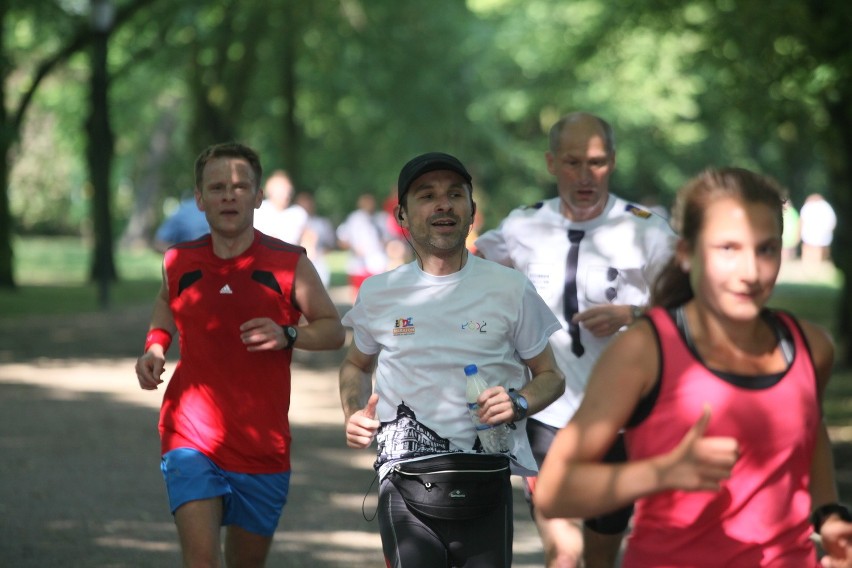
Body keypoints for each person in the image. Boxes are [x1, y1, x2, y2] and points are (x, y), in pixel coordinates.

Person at [534, 167, 852, 567]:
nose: (751, 272)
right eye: (728, 249)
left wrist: (829, 515)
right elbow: (554, 491)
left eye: (766, 249)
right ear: (686, 254)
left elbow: (810, 430)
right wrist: (662, 472)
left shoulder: (811, 347)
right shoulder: (645, 350)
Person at [339, 152, 566, 568]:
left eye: (455, 194)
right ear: (402, 216)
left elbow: (550, 376)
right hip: (403, 481)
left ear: (471, 212)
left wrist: (518, 402)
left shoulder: (510, 288)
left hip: (486, 481)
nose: (443, 204)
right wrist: (354, 411)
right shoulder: (378, 292)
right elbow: (355, 364)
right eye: (427, 195)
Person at [475, 112, 676, 567]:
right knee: (563, 556)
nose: (585, 176)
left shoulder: (647, 230)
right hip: (544, 413)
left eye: (597, 163)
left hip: (619, 417)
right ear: (550, 163)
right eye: (572, 162)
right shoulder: (522, 226)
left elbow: (693, 308)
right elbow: (466, 268)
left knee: (601, 555)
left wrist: (634, 313)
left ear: (613, 162)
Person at [134, 142, 345, 567]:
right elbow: (166, 301)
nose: (228, 196)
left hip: (261, 444)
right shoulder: (179, 260)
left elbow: (333, 330)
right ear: (199, 199)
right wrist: (156, 344)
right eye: (216, 187)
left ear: (258, 196)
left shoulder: (288, 264)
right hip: (190, 434)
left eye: (239, 186)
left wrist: (288, 333)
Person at [336, 192, 388, 301]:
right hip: (359, 264)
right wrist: (355, 248)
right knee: (358, 295)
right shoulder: (355, 218)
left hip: (376, 262)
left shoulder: (379, 218)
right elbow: (343, 238)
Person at [253, 169, 309, 245]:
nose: (285, 194)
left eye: (287, 190)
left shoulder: (299, 213)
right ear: (270, 190)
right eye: (281, 189)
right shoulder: (258, 210)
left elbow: (308, 238)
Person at [799, 193, 837, 266]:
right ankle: (819, 263)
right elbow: (832, 222)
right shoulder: (827, 207)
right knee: (819, 249)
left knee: (809, 248)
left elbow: (802, 220)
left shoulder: (808, 206)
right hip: (823, 234)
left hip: (810, 233)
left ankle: (807, 262)